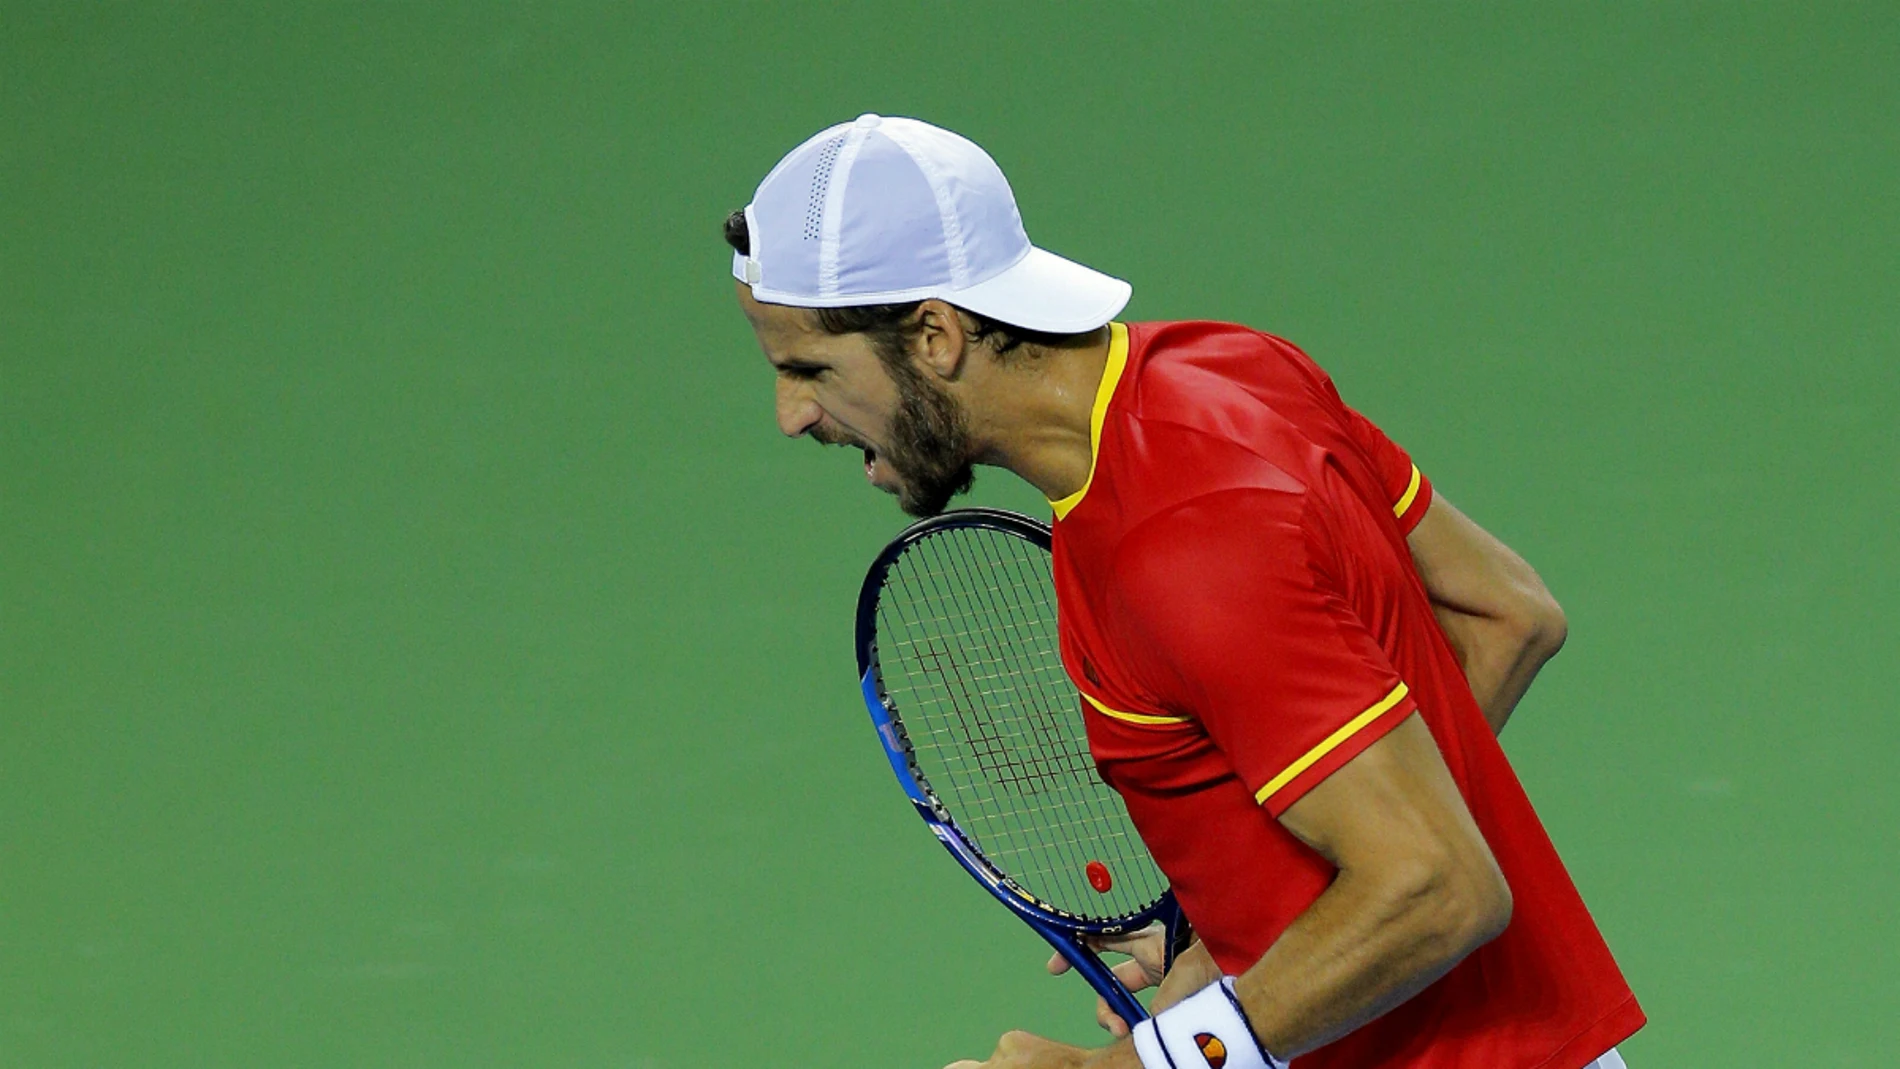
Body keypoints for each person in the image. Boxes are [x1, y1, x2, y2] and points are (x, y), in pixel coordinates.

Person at [727, 114, 1644, 1069]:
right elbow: (1504, 613)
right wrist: (1256, 934)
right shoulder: (1231, 367)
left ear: (934, 334)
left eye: (808, 369)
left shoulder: (1179, 541)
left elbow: (1437, 885)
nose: (793, 416)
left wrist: (1131, 1067)